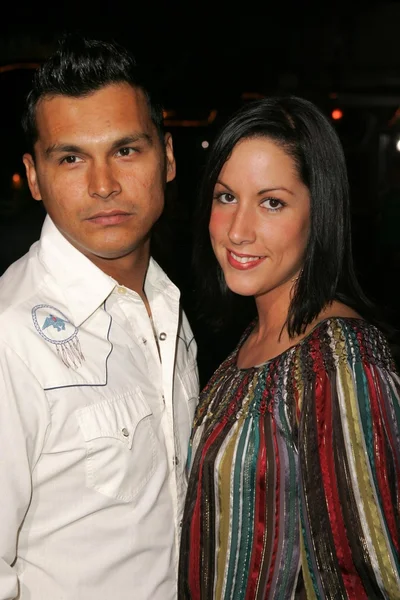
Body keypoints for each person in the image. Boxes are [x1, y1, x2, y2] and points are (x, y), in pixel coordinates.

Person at [0, 34, 199, 600]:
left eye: (126, 150)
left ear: (168, 157)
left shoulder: (167, 305)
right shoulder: (10, 336)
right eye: (70, 158)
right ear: (34, 177)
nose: (103, 185)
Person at [178, 96, 400, 599]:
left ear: (318, 212)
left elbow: (366, 579)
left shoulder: (340, 360)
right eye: (225, 197)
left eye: (271, 202)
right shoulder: (247, 345)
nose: (238, 230)